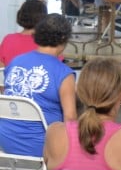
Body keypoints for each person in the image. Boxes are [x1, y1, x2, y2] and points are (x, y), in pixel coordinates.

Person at [0, 14, 77, 156]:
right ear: (63, 39)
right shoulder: (64, 73)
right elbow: (70, 118)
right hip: (43, 145)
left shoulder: (16, 62)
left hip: (5, 140)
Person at [1, 0, 47, 66]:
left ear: (20, 15)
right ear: (44, 18)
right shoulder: (48, 42)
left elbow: (1, 70)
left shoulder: (8, 39)